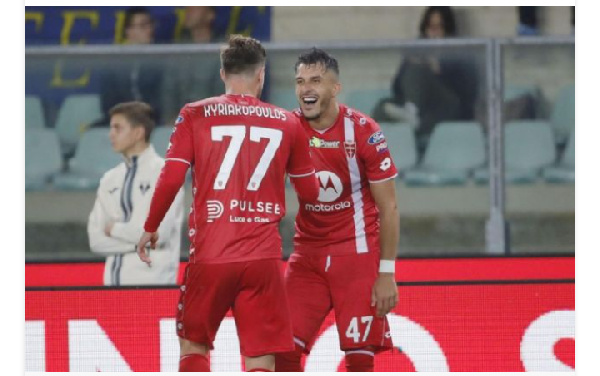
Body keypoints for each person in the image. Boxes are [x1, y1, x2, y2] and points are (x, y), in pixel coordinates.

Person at [137, 35, 320, 372]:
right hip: (263, 257)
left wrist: (151, 226)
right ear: (261, 75)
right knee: (261, 353)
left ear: (222, 73)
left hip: (212, 254)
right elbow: (310, 194)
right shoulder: (289, 122)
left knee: (194, 343)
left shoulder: (195, 114)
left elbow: (172, 178)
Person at [274, 48, 400, 372]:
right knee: (282, 349)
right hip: (307, 254)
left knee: (359, 356)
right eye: (300, 81)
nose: (306, 89)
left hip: (355, 252)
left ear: (335, 88)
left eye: (316, 80)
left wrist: (386, 273)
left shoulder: (364, 131)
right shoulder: (288, 129)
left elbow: (389, 206)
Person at [87, 101, 184, 285]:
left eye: (118, 128)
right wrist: (138, 242)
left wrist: (114, 229)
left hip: (153, 286)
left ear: (138, 132)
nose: (111, 134)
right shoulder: (110, 179)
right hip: (111, 288)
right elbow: (96, 240)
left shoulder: (166, 174)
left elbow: (158, 234)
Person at [373, 6, 479, 153]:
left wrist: (438, 70)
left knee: (418, 71)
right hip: (422, 111)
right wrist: (409, 64)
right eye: (430, 26)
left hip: (446, 109)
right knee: (382, 107)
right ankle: (412, 117)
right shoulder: (418, 49)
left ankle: (412, 118)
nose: (434, 31)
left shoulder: (459, 52)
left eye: (439, 26)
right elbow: (396, 88)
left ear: (447, 29)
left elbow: (466, 94)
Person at [93, 7, 164, 127]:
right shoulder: (115, 62)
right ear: (129, 31)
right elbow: (108, 102)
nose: (149, 30)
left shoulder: (161, 60)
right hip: (121, 122)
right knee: (94, 133)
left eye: (149, 25)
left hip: (153, 121)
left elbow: (163, 100)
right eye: (142, 26)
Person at [161, 6, 224, 124]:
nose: (188, 11)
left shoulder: (221, 51)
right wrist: (170, 121)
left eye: (195, 7)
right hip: (180, 125)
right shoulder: (179, 49)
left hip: (211, 124)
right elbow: (168, 93)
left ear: (210, 15)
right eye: (187, 7)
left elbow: (223, 96)